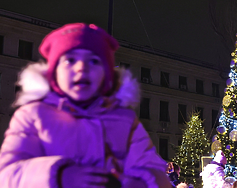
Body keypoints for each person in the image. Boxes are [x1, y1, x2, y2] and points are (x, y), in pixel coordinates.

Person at [0, 23, 171, 188]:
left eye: (94, 61)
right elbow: (7, 175)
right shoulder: (33, 115)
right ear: (54, 72)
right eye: (70, 60)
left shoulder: (124, 120)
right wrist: (60, 176)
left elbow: (154, 169)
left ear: (107, 74)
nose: (82, 68)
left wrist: (135, 183)